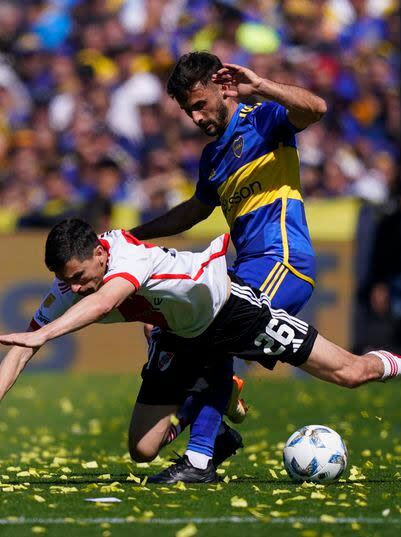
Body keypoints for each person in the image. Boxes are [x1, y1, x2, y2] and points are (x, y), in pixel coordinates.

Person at [0, 219, 401, 484]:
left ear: (100, 253)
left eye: (79, 278)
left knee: (351, 373)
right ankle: (215, 433)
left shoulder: (124, 257)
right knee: (142, 450)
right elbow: (21, 345)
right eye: (68, 283)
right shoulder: (69, 287)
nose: (76, 290)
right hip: (177, 332)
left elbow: (107, 297)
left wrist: (46, 334)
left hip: (231, 312)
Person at [128, 51, 327, 478]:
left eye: (199, 105)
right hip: (246, 267)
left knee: (212, 332)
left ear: (223, 88)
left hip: (283, 261)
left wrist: (263, 86)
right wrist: (135, 235)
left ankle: (200, 457)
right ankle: (215, 431)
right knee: (170, 324)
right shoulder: (213, 156)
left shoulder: (264, 119)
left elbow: (316, 108)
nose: (195, 117)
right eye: (187, 110)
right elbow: (195, 212)